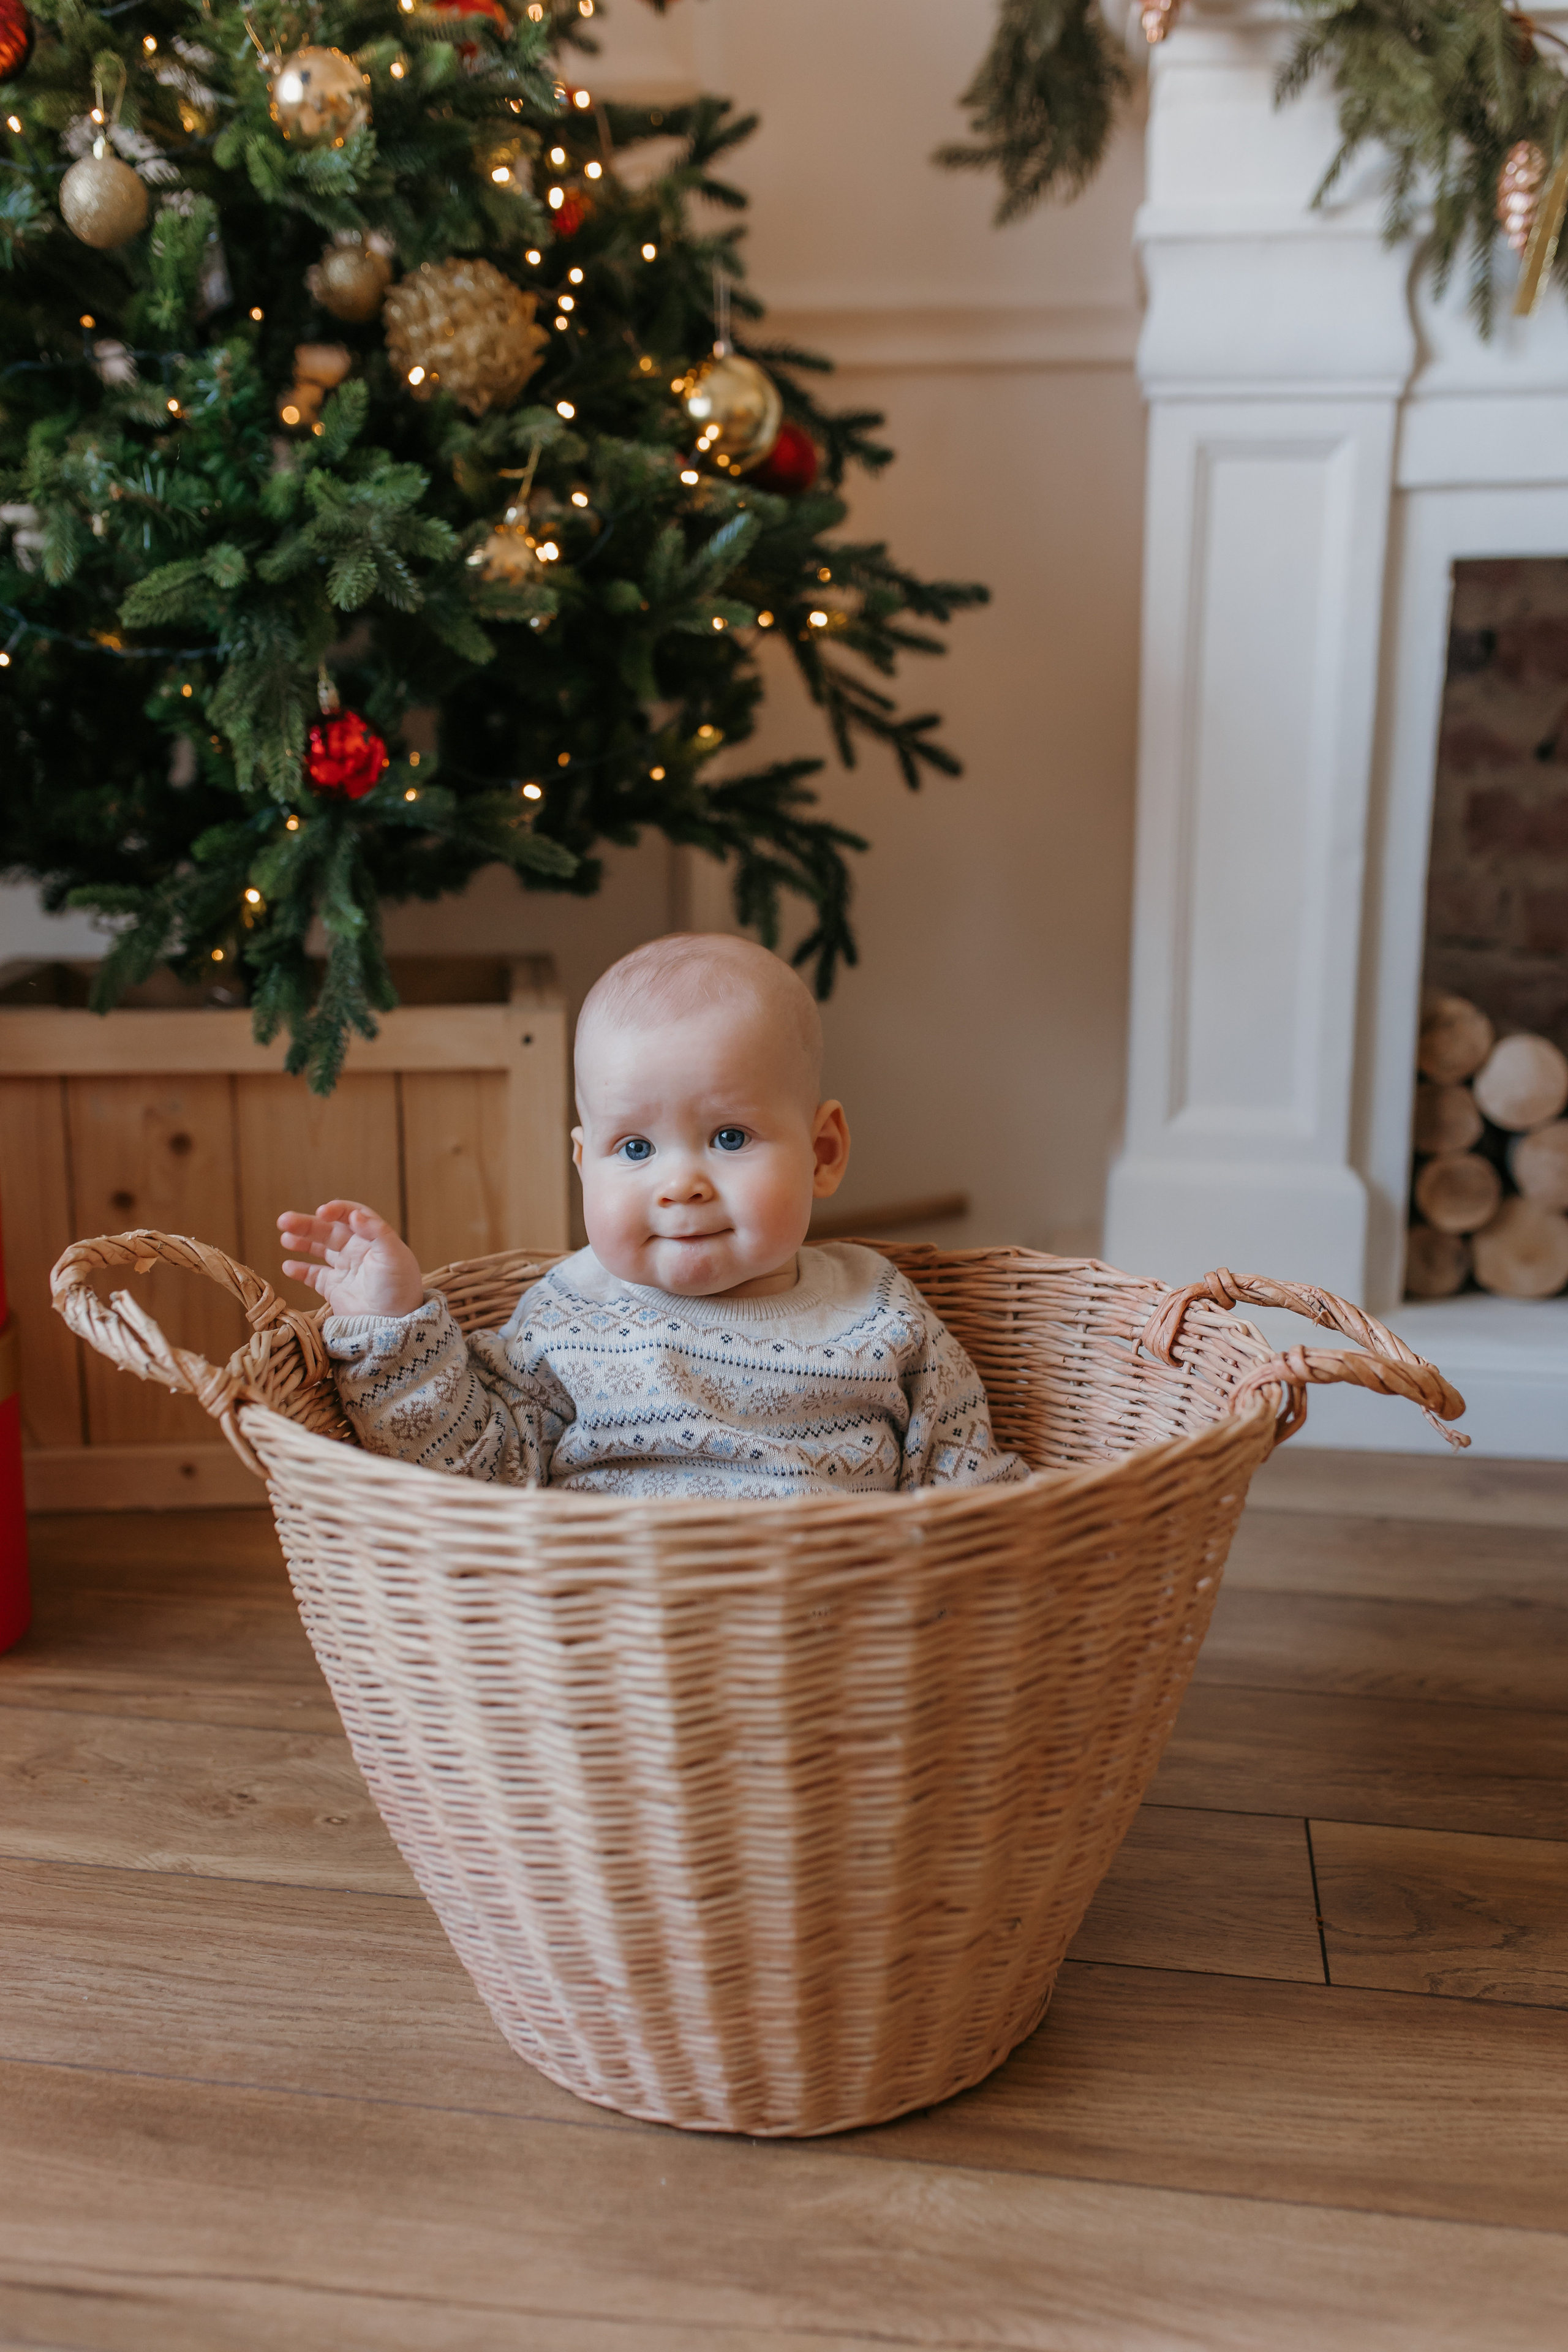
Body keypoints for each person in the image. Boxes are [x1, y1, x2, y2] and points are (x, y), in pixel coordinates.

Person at [279, 934, 1028, 1498]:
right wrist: (394, 1325)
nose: (679, 1185)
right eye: (634, 1147)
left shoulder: (878, 1311)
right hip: (615, 1640)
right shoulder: (567, 1316)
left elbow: (965, 1481)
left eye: (729, 1137)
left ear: (822, 1152)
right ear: (583, 1163)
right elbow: (483, 1469)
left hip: (828, 1642)